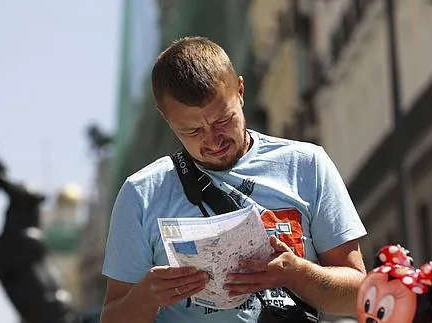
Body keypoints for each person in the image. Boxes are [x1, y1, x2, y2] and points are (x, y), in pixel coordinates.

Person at [101, 36, 367, 323]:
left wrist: (297, 274)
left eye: (223, 120)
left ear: (240, 91)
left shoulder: (307, 165)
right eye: (192, 131)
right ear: (166, 119)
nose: (213, 141)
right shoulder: (141, 194)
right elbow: (113, 317)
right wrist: (148, 295)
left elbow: (358, 295)